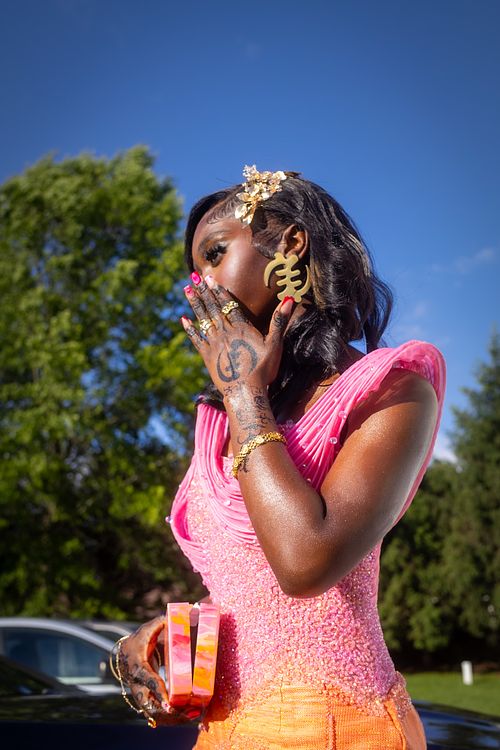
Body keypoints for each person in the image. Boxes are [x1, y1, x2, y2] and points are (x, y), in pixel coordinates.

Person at [116, 165, 445, 749]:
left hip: (337, 728)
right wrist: (178, 630)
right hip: (222, 732)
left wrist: (244, 395)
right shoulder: (224, 416)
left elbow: (304, 563)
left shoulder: (390, 392)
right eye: (196, 269)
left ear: (290, 244)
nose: (201, 284)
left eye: (215, 254)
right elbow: (254, 586)